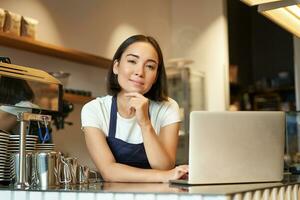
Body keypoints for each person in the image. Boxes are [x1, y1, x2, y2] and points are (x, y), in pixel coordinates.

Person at [81, 35, 188, 182]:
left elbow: (164, 166)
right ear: (116, 66)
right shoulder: (94, 110)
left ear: (156, 76)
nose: (140, 72)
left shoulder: (168, 108)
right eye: (132, 61)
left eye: (150, 66)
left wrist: (145, 123)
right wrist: (165, 175)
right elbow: (109, 171)